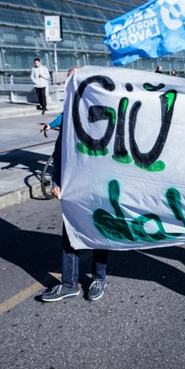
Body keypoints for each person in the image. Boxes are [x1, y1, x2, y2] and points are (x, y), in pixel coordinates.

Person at [38, 68, 108, 302]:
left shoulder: (104, 112)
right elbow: (59, 152)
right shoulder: (70, 114)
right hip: (74, 186)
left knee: (100, 232)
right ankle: (69, 284)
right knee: (70, 234)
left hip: (99, 185)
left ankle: (99, 278)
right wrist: (56, 181)